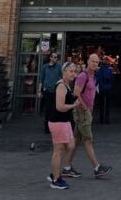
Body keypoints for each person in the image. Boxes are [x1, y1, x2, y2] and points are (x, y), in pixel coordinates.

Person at [64, 53, 112, 179]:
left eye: (97, 62)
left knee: (76, 139)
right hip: (82, 112)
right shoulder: (82, 76)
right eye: (93, 61)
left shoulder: (93, 77)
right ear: (88, 61)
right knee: (88, 139)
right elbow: (76, 93)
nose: (95, 64)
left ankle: (67, 168)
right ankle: (97, 168)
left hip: (87, 112)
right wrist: (85, 108)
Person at [47, 61, 79, 189]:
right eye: (71, 71)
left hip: (65, 121)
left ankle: (55, 171)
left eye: (74, 71)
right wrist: (73, 105)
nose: (73, 74)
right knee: (58, 151)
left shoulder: (67, 85)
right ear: (64, 72)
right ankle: (56, 179)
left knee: (70, 145)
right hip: (58, 121)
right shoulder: (61, 86)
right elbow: (59, 107)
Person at [38, 51, 62, 122]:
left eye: (56, 57)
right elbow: (41, 79)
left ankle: (53, 124)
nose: (55, 59)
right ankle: (47, 126)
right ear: (50, 58)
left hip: (55, 91)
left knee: (55, 108)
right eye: (54, 57)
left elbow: (62, 78)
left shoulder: (59, 66)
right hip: (47, 91)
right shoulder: (45, 67)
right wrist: (39, 91)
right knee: (48, 109)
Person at [95, 56, 115, 125]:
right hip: (108, 88)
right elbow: (112, 79)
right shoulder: (109, 70)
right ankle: (107, 119)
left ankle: (101, 119)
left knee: (101, 104)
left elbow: (97, 80)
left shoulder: (99, 70)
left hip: (101, 88)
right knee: (108, 104)